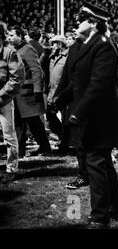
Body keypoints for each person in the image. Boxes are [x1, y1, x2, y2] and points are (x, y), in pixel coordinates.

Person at [54, 3, 118, 228]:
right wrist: (59, 100)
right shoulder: (88, 45)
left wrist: (78, 112)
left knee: (94, 164)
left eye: (81, 18)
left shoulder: (104, 46)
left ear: (93, 23)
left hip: (100, 118)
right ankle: (114, 206)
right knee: (102, 164)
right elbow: (78, 82)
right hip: (93, 116)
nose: (76, 21)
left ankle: (99, 217)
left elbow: (98, 85)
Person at [10, 27, 52, 157]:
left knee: (33, 122)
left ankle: (44, 146)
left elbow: (36, 70)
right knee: (19, 123)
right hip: (17, 94)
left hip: (28, 94)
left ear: (20, 36)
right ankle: (20, 150)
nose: (9, 37)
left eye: (12, 35)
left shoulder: (27, 49)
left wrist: (38, 91)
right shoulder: (14, 50)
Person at [0, 23, 24, 183]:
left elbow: (16, 79)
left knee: (9, 136)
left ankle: (11, 168)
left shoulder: (10, 52)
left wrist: (1, 96)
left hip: (4, 99)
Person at [46, 35, 70, 153]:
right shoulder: (52, 56)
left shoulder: (68, 57)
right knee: (49, 115)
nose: (52, 46)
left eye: (54, 43)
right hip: (52, 91)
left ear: (60, 44)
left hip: (63, 92)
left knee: (66, 119)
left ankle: (65, 144)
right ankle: (62, 136)